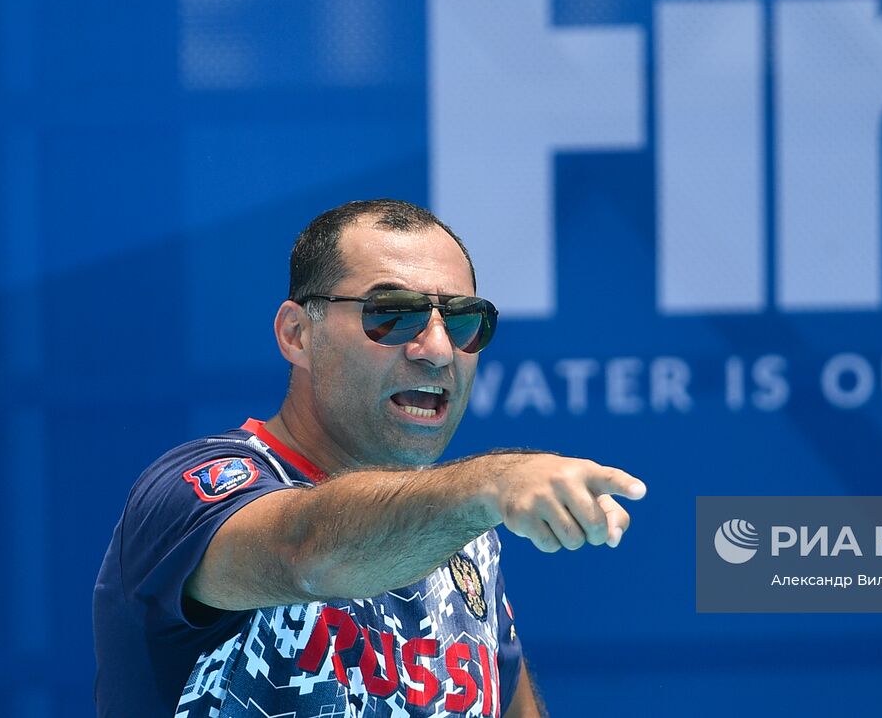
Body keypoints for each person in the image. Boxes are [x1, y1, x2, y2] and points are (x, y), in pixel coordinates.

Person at [93, 198, 645, 717]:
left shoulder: (467, 533)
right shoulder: (188, 493)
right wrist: (492, 483)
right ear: (296, 334)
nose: (435, 349)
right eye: (392, 315)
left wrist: (478, 503)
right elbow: (308, 554)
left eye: (461, 320)